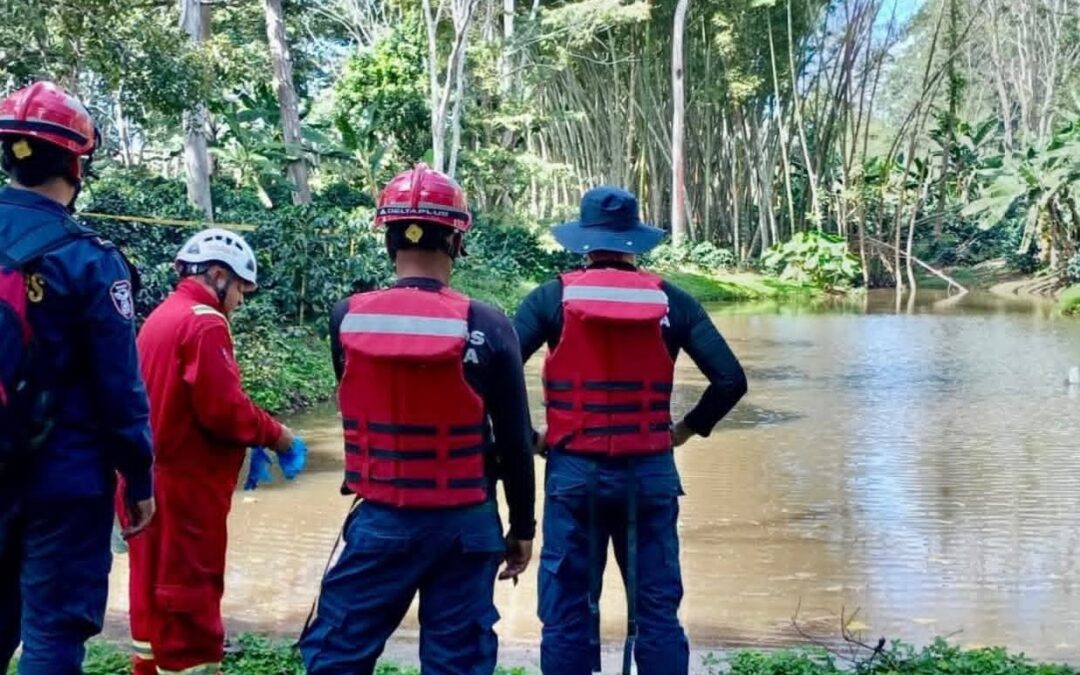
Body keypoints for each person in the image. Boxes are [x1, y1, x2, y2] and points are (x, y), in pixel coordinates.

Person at [300, 164, 536, 675]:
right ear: (456, 241)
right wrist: (522, 528)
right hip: (467, 522)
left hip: (381, 518)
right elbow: (516, 442)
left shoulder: (346, 317)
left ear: (388, 238)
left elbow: (355, 399)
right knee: (457, 663)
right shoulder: (490, 324)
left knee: (337, 656)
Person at [514, 186, 748, 675]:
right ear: (635, 241)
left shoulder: (551, 298)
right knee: (657, 613)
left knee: (567, 612)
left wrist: (531, 438)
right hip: (650, 474)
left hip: (573, 475)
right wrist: (683, 432)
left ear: (583, 240)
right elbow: (730, 380)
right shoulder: (674, 302)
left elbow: (495, 377)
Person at [0, 81, 156, 674]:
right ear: (76, 163)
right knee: (54, 628)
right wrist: (138, 476)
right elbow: (120, 388)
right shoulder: (89, 258)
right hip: (63, 478)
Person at [121, 228, 308, 675]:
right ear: (218, 275)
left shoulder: (163, 315)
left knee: (151, 597)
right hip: (185, 491)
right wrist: (276, 435)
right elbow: (224, 410)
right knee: (189, 598)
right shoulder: (204, 321)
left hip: (147, 481)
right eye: (241, 289)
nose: (240, 301)